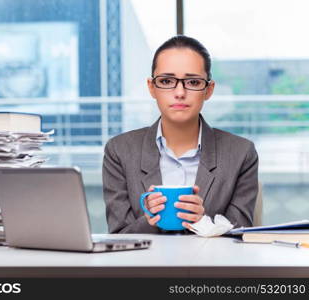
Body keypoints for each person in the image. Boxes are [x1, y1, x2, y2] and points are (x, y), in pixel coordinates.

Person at [102, 35, 258, 234]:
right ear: (152, 87)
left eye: (192, 82)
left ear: (208, 90)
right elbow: (118, 235)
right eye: (166, 81)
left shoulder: (241, 153)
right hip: (144, 265)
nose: (179, 92)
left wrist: (203, 222)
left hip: (212, 264)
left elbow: (241, 236)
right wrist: (149, 219)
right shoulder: (120, 151)